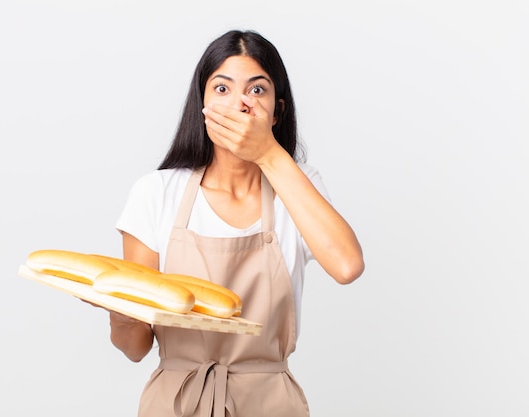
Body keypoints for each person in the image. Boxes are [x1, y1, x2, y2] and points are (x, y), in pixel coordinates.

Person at [111, 29, 364, 417]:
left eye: (257, 90)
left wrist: (268, 153)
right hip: (176, 402)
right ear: (203, 103)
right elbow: (135, 347)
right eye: (223, 89)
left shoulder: (298, 187)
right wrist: (121, 315)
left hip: (269, 403)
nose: (240, 104)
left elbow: (347, 266)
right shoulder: (156, 192)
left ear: (277, 111)